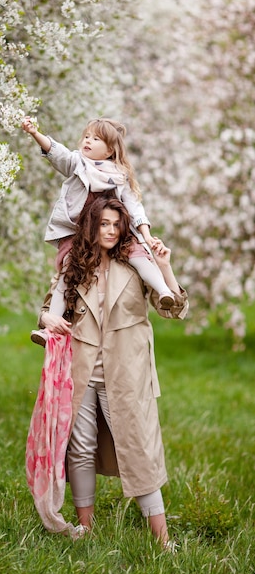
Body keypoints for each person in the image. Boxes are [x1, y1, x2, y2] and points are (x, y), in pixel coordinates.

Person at [37, 194, 188, 548]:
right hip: (81, 368)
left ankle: (163, 541)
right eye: (103, 224)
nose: (110, 231)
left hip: (127, 371)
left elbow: (174, 310)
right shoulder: (76, 263)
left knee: (139, 448)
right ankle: (84, 527)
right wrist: (45, 319)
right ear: (91, 226)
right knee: (81, 446)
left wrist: (165, 267)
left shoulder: (137, 261)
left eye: (116, 225)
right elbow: (49, 307)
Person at [21, 116, 175, 347]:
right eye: (86, 137)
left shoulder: (119, 176)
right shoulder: (77, 163)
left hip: (115, 232)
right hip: (78, 233)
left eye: (96, 139)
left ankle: (164, 292)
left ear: (110, 151)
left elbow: (134, 207)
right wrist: (35, 133)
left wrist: (146, 235)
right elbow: (58, 152)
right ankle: (49, 328)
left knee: (141, 258)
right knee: (67, 272)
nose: (88, 141)